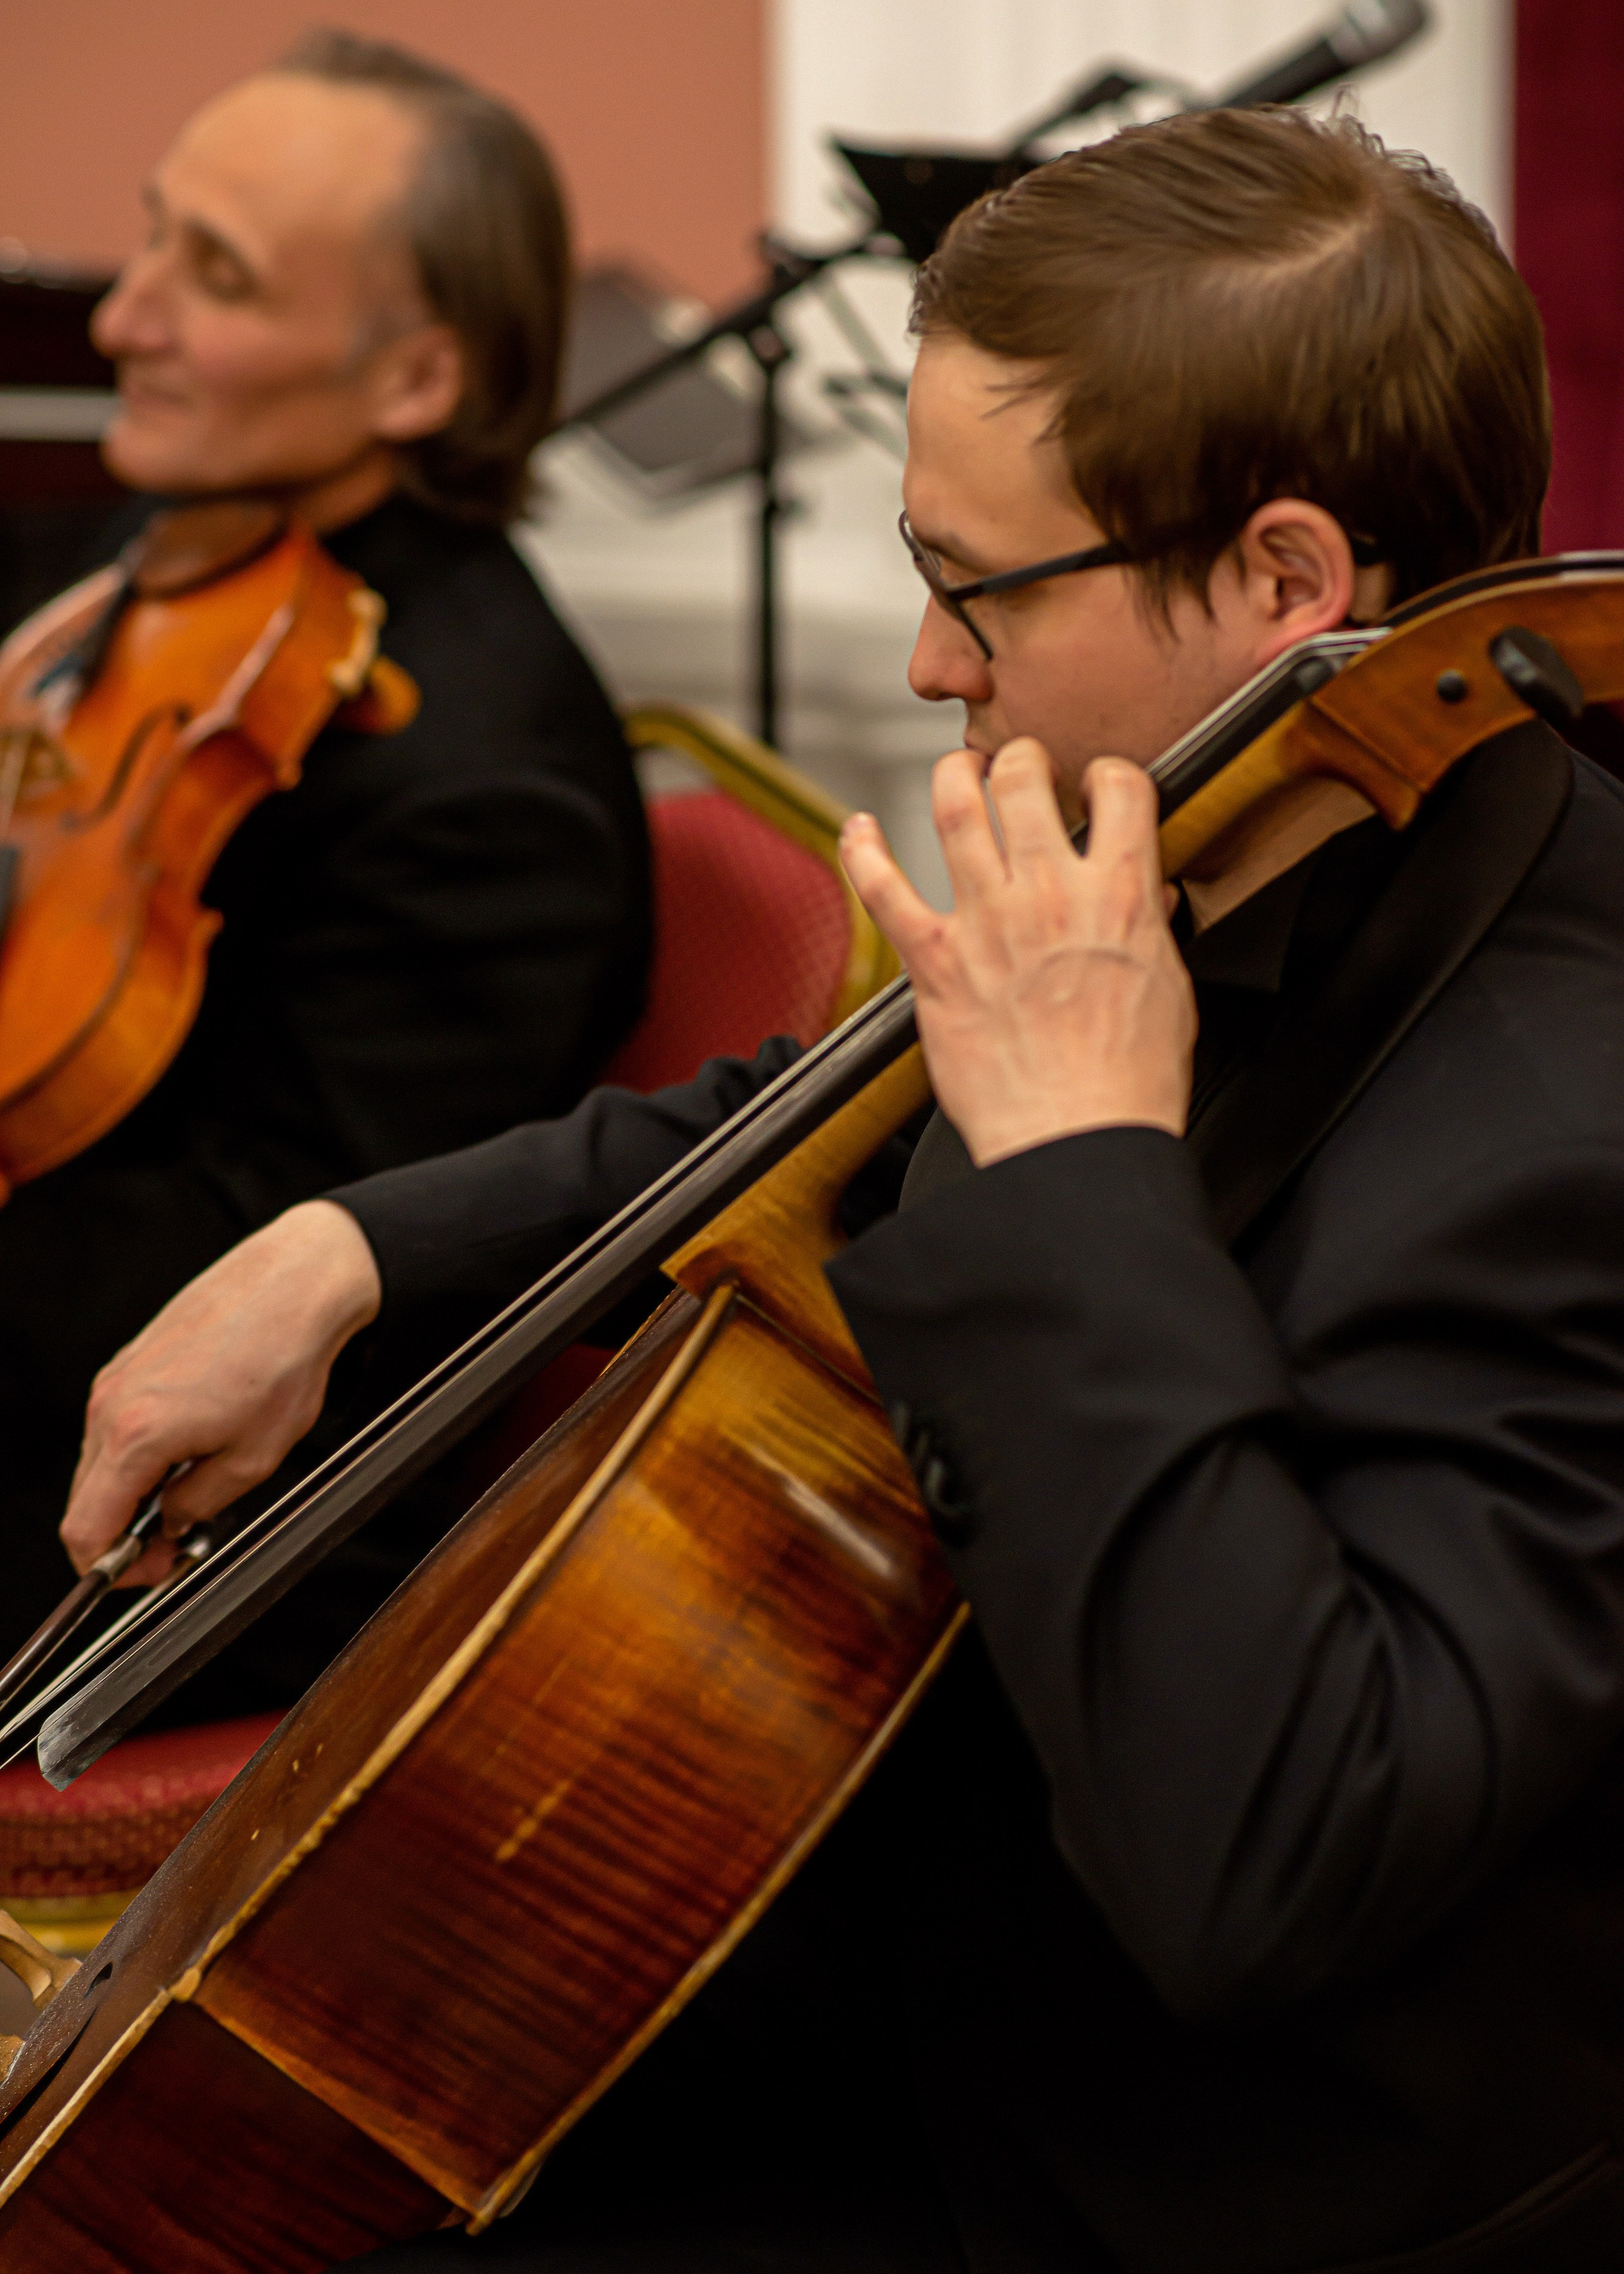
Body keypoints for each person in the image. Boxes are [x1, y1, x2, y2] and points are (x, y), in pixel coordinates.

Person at [60, 108, 1624, 2271]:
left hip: (1200, 2172)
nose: (926, 668)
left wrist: (1087, 1166)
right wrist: (345, 1249)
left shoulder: (1571, 1121)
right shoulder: (1244, 824)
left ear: (1284, 585)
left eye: (975, 590)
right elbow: (832, 1095)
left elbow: (1272, 1851)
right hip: (936, 1940)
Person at [1, 33, 650, 1673]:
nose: (120, 316)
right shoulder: (170, 551)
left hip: (122, 1519)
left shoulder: (487, 800)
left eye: (209, 276)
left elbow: (211, 1306)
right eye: (151, 233)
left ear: (416, 383)